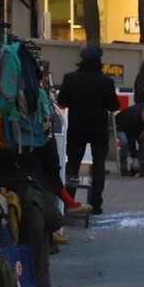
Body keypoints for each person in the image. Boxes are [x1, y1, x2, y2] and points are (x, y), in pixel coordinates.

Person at [57, 45, 121, 214]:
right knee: (99, 165)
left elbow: (62, 100)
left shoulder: (70, 78)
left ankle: (69, 202)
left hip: (77, 127)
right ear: (99, 61)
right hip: (98, 128)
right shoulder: (106, 81)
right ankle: (95, 204)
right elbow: (114, 105)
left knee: (73, 165)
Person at [115, 104, 144, 177]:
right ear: (143, 113)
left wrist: (143, 131)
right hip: (121, 127)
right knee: (125, 143)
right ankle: (123, 166)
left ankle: (138, 165)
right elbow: (131, 138)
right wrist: (134, 157)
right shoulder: (132, 117)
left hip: (136, 128)